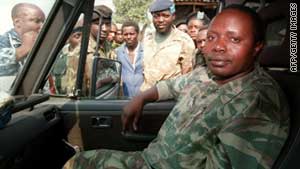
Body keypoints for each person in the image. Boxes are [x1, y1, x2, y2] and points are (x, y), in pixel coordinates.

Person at [63, 5, 289, 169]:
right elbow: (171, 86)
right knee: (78, 161)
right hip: (149, 159)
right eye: (211, 37)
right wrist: (141, 99)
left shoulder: (258, 103)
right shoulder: (206, 74)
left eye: (234, 40)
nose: (217, 47)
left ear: (258, 47)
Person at [140, 0, 195, 91]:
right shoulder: (147, 39)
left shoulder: (184, 41)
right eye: (156, 16)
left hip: (170, 98)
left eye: (165, 16)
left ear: (173, 16)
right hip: (146, 94)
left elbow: (187, 76)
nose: (161, 20)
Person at [0, 3, 45, 76]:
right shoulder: (3, 41)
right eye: (37, 21)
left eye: (43, 22)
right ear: (17, 23)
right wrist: (22, 50)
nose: (42, 26)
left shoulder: (43, 41)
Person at [52, 20, 83, 95]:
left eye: (84, 36)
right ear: (69, 38)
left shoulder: (88, 55)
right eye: (77, 36)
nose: (81, 40)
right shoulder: (58, 55)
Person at [115, 21, 143, 97]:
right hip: (125, 98)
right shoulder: (117, 52)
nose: (128, 37)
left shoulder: (147, 50)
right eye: (125, 34)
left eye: (131, 34)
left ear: (137, 34)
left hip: (144, 98)